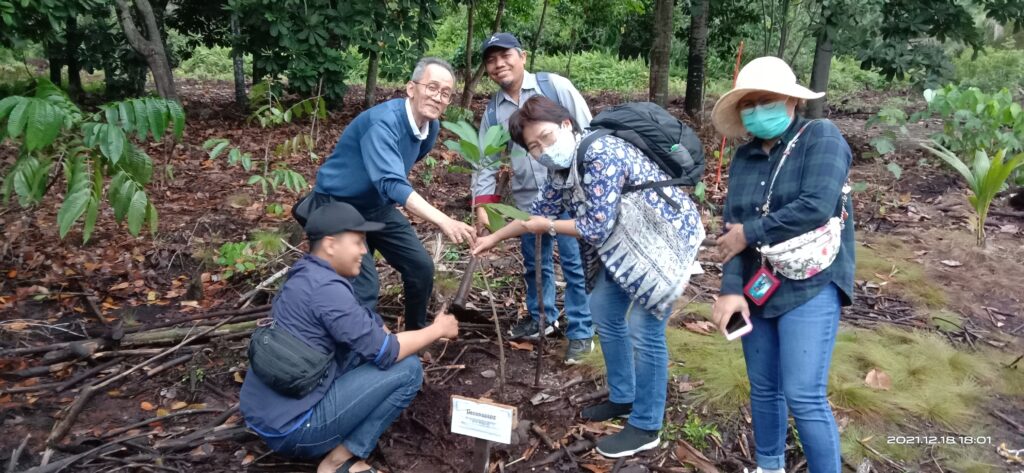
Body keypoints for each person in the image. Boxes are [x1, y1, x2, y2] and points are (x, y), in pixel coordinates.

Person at [473, 96, 705, 458]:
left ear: (567, 125)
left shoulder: (601, 153)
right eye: (533, 147)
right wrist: (492, 239)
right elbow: (537, 214)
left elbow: (595, 226)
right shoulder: (560, 170)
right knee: (604, 311)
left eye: (546, 138)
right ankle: (623, 397)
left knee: (645, 329)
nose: (543, 151)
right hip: (627, 247)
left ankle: (647, 425)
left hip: (664, 242)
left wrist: (547, 225)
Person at [709, 56, 855, 473]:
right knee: (764, 388)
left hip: (813, 280)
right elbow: (731, 233)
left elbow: (816, 205)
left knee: (804, 392)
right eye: (749, 104)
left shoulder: (820, 136)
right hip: (759, 283)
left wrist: (748, 233)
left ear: (792, 101)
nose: (757, 110)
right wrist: (731, 289)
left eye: (766, 100)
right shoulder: (745, 157)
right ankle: (767, 465)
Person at [241, 202, 460, 473]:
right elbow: (386, 351)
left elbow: (365, 324)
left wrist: (389, 333)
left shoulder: (306, 273)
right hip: (295, 430)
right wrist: (438, 330)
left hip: (264, 417)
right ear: (331, 245)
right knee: (408, 370)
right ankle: (340, 460)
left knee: (367, 352)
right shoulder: (327, 291)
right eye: (357, 241)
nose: (364, 251)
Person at [305, 57, 475, 330]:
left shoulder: (430, 128)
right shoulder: (382, 123)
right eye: (432, 87)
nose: (438, 97)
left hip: (376, 205)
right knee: (364, 286)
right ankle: (361, 349)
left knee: (420, 267)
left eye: (445, 93)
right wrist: (443, 220)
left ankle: (415, 336)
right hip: (337, 206)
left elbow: (399, 170)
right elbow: (392, 182)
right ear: (411, 88)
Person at [472, 32, 595, 364]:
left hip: (571, 192)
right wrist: (483, 203)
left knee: (573, 263)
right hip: (529, 196)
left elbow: (589, 130)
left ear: (522, 56)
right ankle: (543, 319)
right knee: (535, 262)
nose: (499, 65)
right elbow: (487, 157)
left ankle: (582, 331)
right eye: (490, 60)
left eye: (505, 56)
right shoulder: (494, 109)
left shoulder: (554, 87)